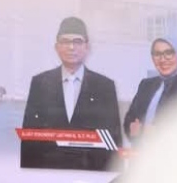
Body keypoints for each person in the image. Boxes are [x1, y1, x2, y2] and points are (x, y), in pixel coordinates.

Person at [20, 16, 122, 171]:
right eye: (65, 41)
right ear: (56, 47)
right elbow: (29, 138)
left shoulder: (104, 87)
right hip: (48, 174)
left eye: (77, 41)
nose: (71, 47)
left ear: (87, 47)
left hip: (90, 174)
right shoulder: (40, 83)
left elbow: (113, 141)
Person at [123, 35, 177, 143]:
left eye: (168, 53)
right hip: (142, 151)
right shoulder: (145, 85)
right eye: (157, 54)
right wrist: (131, 128)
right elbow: (129, 119)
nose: (162, 59)